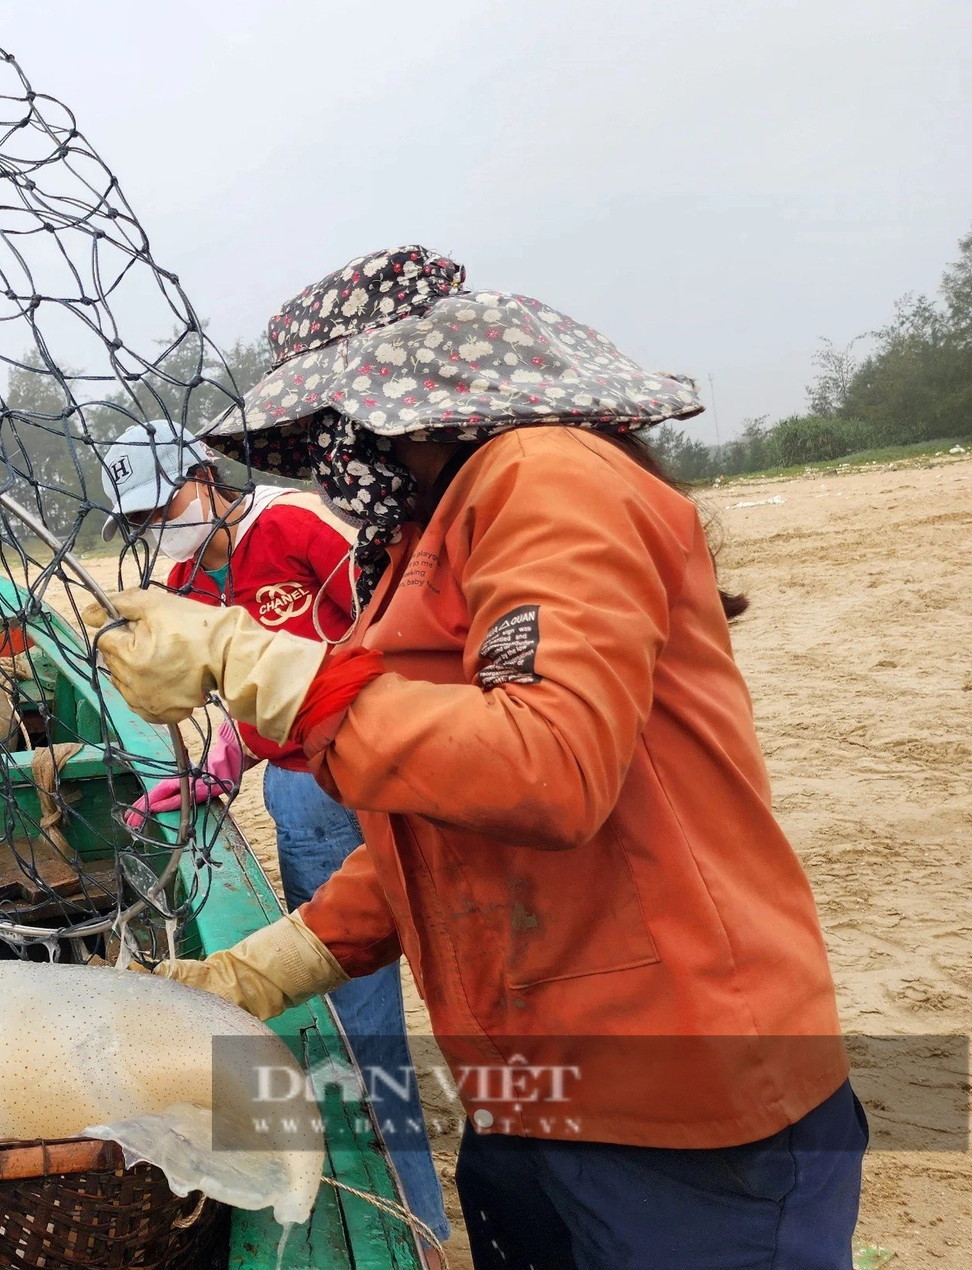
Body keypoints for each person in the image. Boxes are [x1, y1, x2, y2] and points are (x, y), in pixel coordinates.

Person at [87, 248, 865, 1269]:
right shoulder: (427, 535)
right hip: (531, 1086)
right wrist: (267, 967)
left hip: (678, 1101)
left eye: (331, 424)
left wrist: (261, 668)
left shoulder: (541, 476)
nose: (325, 455)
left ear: (393, 404)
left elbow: (544, 768)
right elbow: (454, 825)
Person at [98, 420, 451, 1249]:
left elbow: (385, 643)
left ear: (205, 474)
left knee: (377, 1014)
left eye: (165, 506)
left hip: (370, 770)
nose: (159, 530)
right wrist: (219, 760)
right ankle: (403, 1209)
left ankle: (420, 1226)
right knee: (339, 1007)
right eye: (141, 523)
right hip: (300, 791)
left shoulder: (294, 525)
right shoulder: (188, 579)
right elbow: (242, 699)